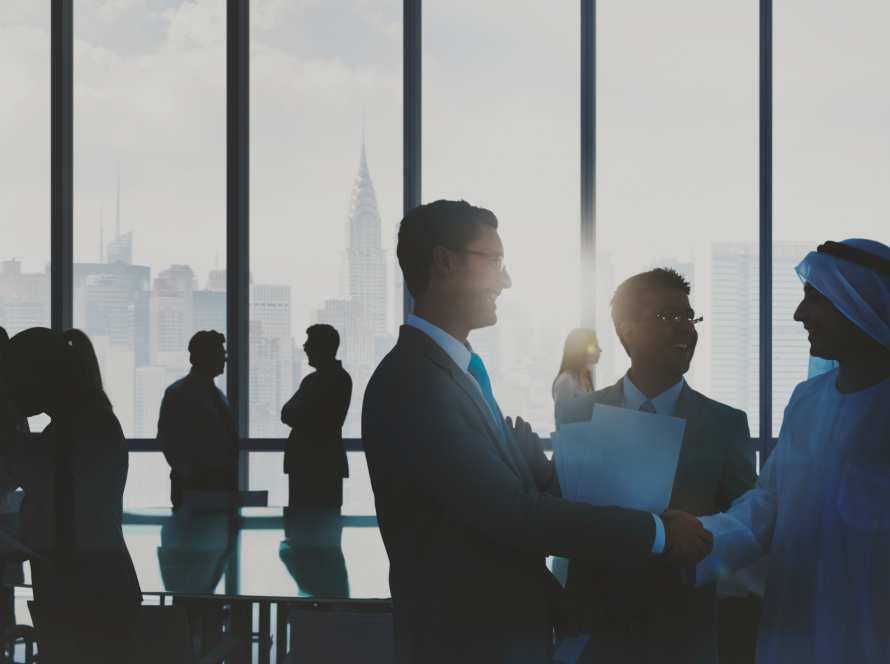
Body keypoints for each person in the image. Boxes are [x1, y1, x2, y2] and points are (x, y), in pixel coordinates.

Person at [362, 199, 713, 664]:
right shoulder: (412, 383)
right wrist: (657, 533)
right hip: (462, 643)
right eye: (496, 262)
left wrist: (547, 592)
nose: (505, 281)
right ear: (445, 261)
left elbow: (485, 524)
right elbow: (513, 513)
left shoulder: (459, 373)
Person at [688, 239, 890, 663]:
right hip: (788, 633)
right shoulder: (805, 398)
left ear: (862, 302)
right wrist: (696, 538)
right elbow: (769, 504)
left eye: (815, 298)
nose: (800, 314)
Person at [558, 268, 757, 663]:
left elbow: (747, 526)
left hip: (682, 634)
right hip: (593, 628)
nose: (687, 327)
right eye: (670, 315)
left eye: (690, 316)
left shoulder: (725, 423)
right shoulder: (578, 412)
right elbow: (566, 516)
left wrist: (699, 551)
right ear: (629, 332)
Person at [0, 328, 142, 664]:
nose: (11, 394)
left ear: (49, 378)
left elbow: (68, 500)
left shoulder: (98, 425)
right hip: (68, 593)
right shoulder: (57, 430)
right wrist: (27, 538)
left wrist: (18, 443)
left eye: (17, 383)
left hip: (95, 596)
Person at [158, 330, 240, 511]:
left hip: (220, 479)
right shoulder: (180, 393)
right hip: (197, 480)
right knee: (192, 535)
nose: (224, 359)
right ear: (202, 357)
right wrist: (189, 475)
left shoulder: (216, 394)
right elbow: (168, 439)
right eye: (219, 354)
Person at [281, 324, 352, 508]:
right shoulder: (312, 380)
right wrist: (301, 410)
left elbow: (304, 412)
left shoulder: (338, 378)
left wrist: (299, 410)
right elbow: (287, 412)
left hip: (321, 468)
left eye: (309, 344)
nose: (305, 349)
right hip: (308, 466)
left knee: (316, 526)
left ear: (323, 347)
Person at [553, 328, 601, 426]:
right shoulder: (566, 381)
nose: (600, 350)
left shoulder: (587, 378)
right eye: (595, 347)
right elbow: (561, 424)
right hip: (572, 440)